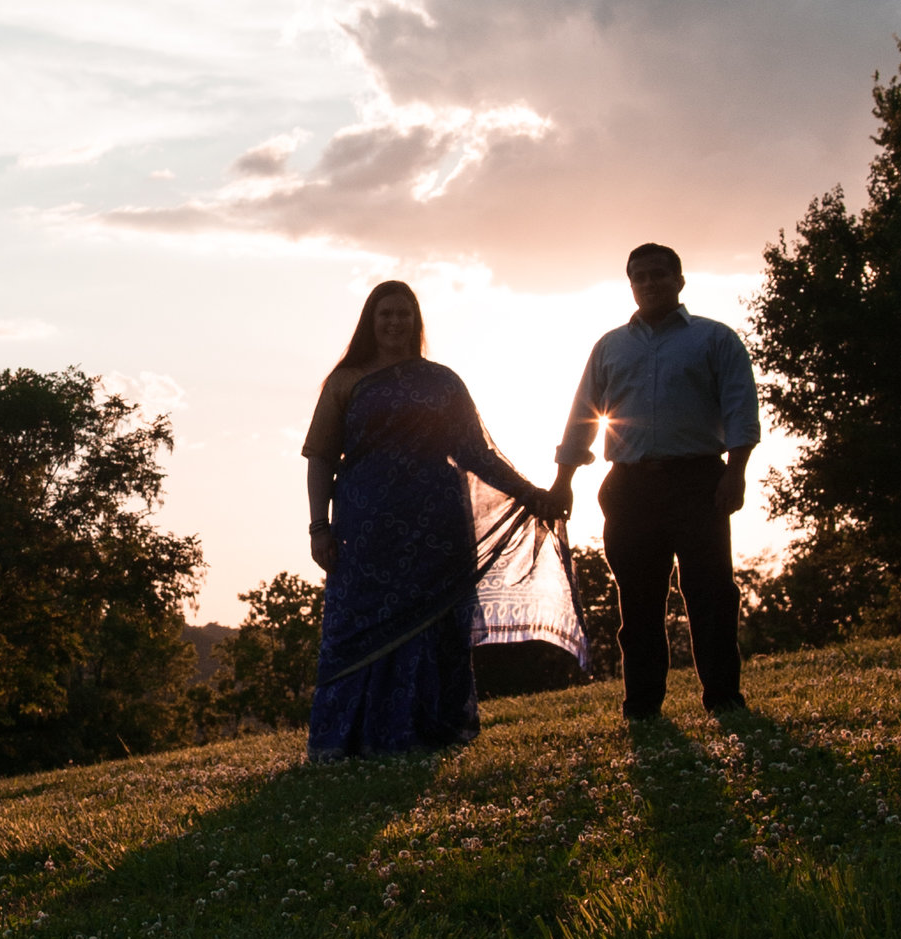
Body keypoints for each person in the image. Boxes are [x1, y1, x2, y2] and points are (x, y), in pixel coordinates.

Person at [303, 279, 563, 758]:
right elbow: (320, 458)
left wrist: (533, 494)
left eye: (404, 313)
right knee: (356, 625)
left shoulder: (443, 381)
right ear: (370, 321)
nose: (395, 322)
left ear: (416, 322)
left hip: (437, 528)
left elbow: (476, 454)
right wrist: (319, 526)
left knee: (433, 625)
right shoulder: (346, 380)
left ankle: (427, 730)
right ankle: (349, 740)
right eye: (385, 314)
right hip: (365, 527)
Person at [553, 244, 760, 721]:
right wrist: (563, 481)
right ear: (631, 284)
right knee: (639, 602)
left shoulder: (714, 339)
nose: (649, 284)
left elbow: (739, 408)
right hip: (628, 488)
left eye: (658, 275)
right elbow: (583, 414)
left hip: (699, 482)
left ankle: (724, 697)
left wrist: (736, 471)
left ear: (679, 280)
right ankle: (642, 706)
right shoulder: (610, 346)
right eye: (639, 277)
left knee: (711, 594)